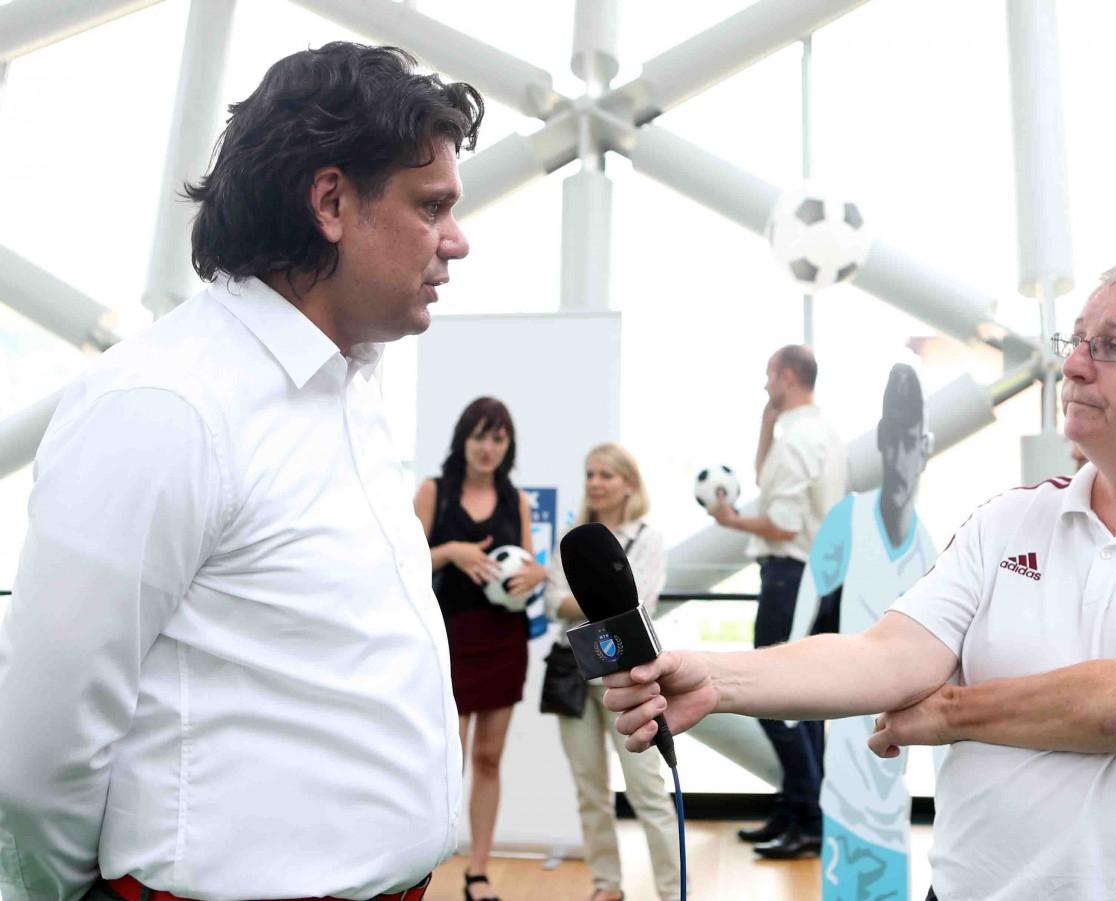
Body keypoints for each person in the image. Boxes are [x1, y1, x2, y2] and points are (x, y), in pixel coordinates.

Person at [607, 259, 1116, 900]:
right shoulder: (1010, 519)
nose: (1075, 364)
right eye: (1076, 341)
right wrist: (715, 678)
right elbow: (886, 656)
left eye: (1113, 346)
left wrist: (952, 714)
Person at [0, 43, 482, 901]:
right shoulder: (167, 402)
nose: (458, 240)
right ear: (331, 202)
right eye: (432, 205)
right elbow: (45, 736)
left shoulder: (347, 387)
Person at [787, 363, 937, 897]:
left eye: (911, 443)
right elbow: (806, 607)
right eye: (893, 442)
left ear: (925, 448)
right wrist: (789, 696)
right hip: (848, 753)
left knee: (889, 876)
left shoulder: (930, 550)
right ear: (881, 443)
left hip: (896, 756)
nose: (901, 458)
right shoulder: (847, 519)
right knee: (846, 876)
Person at [705, 344, 845, 858]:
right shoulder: (824, 434)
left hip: (789, 579)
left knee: (774, 701)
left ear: (787, 376)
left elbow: (782, 522)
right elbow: (772, 485)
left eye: (769, 376)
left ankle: (808, 817)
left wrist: (732, 521)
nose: (766, 386)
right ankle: (798, 810)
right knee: (806, 705)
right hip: (821, 579)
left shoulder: (796, 443)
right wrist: (766, 426)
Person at [412, 397, 545, 901]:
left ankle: (479, 870)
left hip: (503, 637)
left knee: (489, 757)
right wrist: (451, 552)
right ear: (462, 439)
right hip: (449, 638)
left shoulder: (517, 500)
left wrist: (535, 574)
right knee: (452, 757)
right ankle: (421, 867)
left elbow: (530, 564)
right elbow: (403, 561)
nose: (487, 448)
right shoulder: (434, 491)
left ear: (508, 446)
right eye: (479, 436)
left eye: (498, 438)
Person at [544, 443, 680, 901]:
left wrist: (582, 600)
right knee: (590, 791)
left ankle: (672, 891)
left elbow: (640, 603)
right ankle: (606, 885)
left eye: (606, 474)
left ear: (629, 483)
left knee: (648, 791)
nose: (595, 483)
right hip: (573, 674)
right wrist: (604, 597)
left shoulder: (648, 538)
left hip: (630, 678)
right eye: (590, 474)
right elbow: (551, 602)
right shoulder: (571, 540)